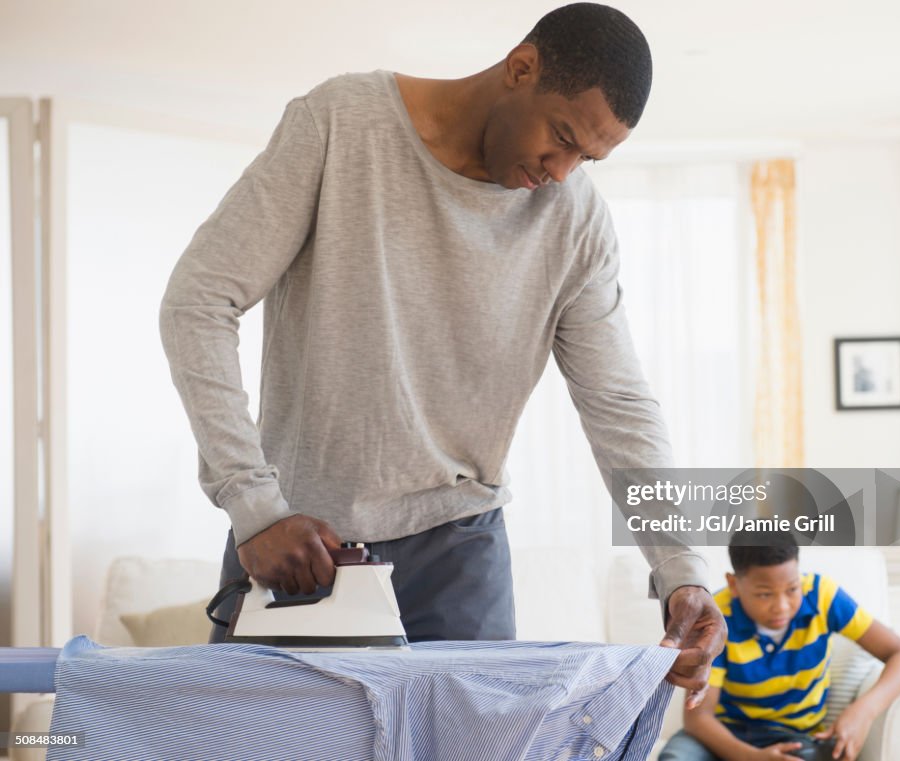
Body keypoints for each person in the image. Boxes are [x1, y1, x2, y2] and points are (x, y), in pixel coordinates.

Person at [159, 2, 724, 699]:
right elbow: (198, 302)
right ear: (522, 68)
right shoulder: (341, 122)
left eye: (587, 157)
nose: (563, 170)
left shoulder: (575, 220)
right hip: (302, 547)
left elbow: (619, 403)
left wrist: (681, 568)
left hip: (463, 549)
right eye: (562, 137)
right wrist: (254, 507)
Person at [659, 532, 900, 761]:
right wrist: (750, 758)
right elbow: (698, 719)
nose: (782, 606)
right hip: (726, 733)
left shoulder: (822, 596)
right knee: (676, 757)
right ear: (734, 584)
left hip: (795, 736)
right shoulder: (718, 619)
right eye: (764, 594)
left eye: (792, 588)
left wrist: (863, 712)